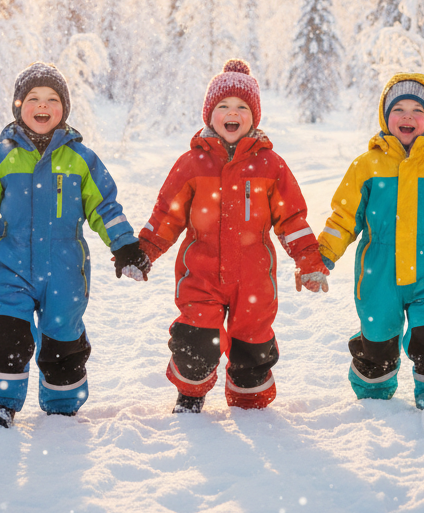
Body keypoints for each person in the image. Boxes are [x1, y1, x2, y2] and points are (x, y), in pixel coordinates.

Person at [0, 62, 151, 428]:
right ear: (18, 106)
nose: (43, 106)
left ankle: (61, 405)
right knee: (6, 335)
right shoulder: (0, 158)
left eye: (53, 99)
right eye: (34, 98)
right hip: (10, 267)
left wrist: (123, 245)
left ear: (64, 109)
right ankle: (0, 403)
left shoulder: (81, 159)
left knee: (63, 340)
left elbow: (104, 206)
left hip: (65, 270)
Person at [137, 60, 328, 413]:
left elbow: (292, 219)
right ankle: (190, 394)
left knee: (252, 346)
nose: (232, 113)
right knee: (195, 338)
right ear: (209, 114)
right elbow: (167, 214)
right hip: (201, 273)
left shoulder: (271, 165)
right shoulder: (191, 163)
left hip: (254, 278)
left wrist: (309, 261)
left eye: (242, 107)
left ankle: (249, 403)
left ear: (254, 117)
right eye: (223, 106)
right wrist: (145, 250)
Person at [317, 73, 424, 409]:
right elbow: (344, 218)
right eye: (399, 109)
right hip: (378, 274)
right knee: (379, 339)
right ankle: (374, 396)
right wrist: (324, 255)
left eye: (417, 110)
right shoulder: (367, 166)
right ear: (385, 116)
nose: (408, 116)